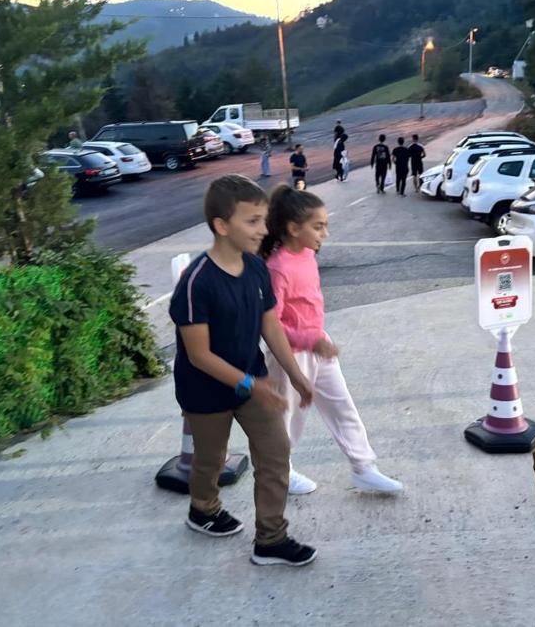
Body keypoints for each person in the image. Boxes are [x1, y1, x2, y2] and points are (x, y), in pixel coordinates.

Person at [168, 174, 317, 567]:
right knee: (211, 460)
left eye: (263, 220)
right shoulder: (196, 283)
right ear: (221, 225)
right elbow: (199, 355)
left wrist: (296, 375)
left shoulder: (255, 268)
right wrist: (251, 383)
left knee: (275, 453)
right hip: (206, 389)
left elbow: (271, 325)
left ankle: (270, 539)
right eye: (252, 221)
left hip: (253, 381)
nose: (262, 230)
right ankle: (203, 508)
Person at [260, 185, 404, 495]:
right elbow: (270, 324)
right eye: (318, 226)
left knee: (342, 407)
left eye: (325, 225)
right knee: (288, 418)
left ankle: (364, 468)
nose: (325, 233)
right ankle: (280, 471)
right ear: (293, 228)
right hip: (290, 356)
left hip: (319, 347)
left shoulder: (308, 254)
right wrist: (309, 340)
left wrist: (318, 339)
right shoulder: (278, 267)